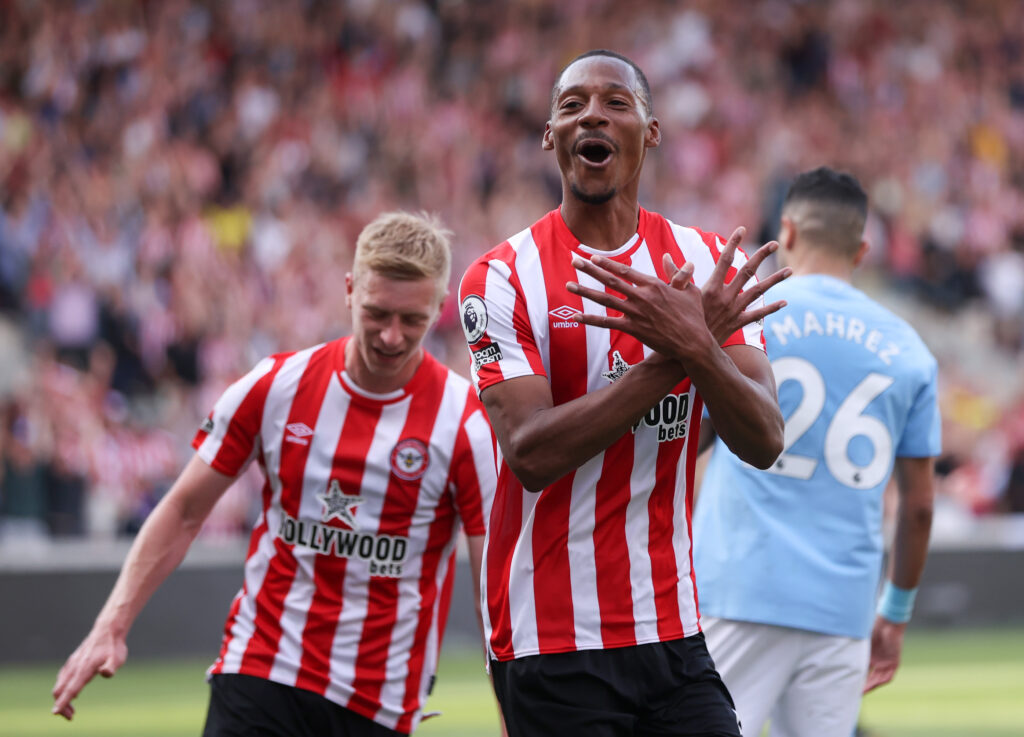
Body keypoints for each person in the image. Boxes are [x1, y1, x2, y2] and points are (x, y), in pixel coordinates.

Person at [52, 211, 498, 736]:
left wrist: (512, 711)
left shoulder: (465, 421)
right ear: (350, 291)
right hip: (262, 671)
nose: (392, 336)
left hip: (377, 702)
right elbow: (183, 510)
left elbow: (491, 590)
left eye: (412, 320)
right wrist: (111, 624)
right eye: (377, 313)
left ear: (440, 309)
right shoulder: (276, 386)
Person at [457, 49, 790, 737]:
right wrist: (683, 353)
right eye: (573, 105)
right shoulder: (501, 278)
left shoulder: (703, 263)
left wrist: (696, 345)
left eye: (614, 101)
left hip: (673, 630)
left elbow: (763, 438)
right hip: (552, 642)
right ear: (550, 135)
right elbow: (530, 450)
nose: (592, 116)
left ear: (651, 130)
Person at [692, 167, 941, 737]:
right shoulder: (908, 348)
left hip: (739, 586)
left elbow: (694, 441)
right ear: (862, 249)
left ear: (788, 229)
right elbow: (920, 506)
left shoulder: (746, 316)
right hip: (842, 606)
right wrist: (894, 615)